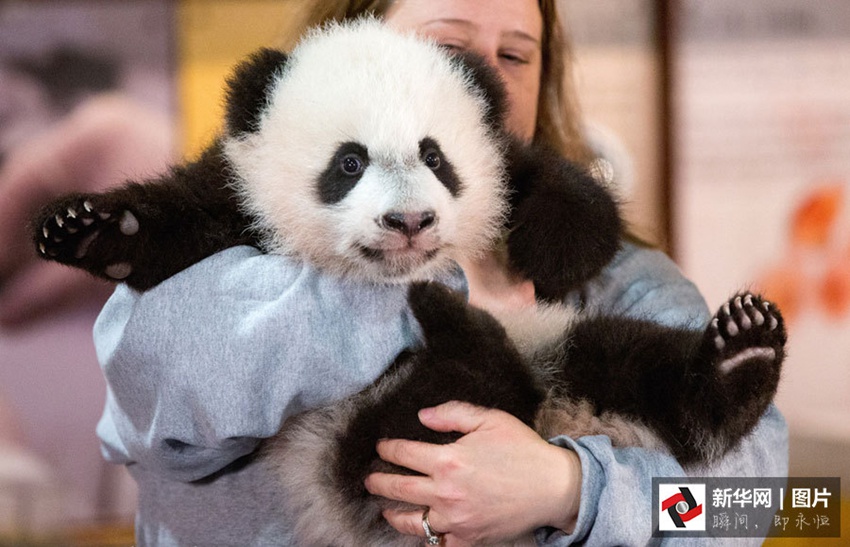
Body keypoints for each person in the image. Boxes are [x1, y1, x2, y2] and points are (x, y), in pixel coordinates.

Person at [91, 0, 788, 545]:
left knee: (612, 359)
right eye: (446, 46)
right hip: (364, 474)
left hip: (537, 384)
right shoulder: (219, 250)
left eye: (516, 53)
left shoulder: (620, 277)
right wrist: (426, 298)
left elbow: (756, 508)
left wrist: (571, 489)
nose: (481, 77)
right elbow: (162, 397)